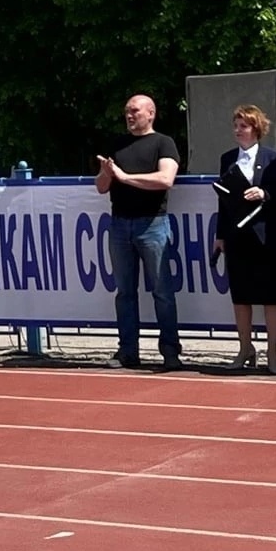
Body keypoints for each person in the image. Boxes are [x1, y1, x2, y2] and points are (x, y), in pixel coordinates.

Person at [92, 94, 181, 372]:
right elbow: (101, 186)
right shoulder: (117, 144)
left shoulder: (163, 142)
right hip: (120, 224)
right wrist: (107, 173)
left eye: (135, 111)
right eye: (127, 112)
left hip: (152, 224)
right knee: (125, 293)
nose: (129, 116)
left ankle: (170, 352)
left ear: (150, 113)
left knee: (162, 291)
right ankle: (128, 351)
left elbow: (166, 179)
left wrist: (125, 177)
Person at [213, 105, 276, 374]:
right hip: (237, 236)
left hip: (268, 235)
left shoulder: (272, 157)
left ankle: (272, 351)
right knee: (241, 296)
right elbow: (223, 200)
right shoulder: (227, 158)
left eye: (243, 126)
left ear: (256, 129)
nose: (237, 130)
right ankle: (245, 348)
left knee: (271, 296)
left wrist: (264, 193)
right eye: (235, 126)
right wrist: (220, 235)